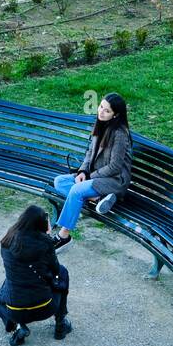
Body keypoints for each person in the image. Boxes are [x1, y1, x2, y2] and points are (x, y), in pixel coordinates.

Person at [52, 92, 133, 243]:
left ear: (115, 115)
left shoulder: (120, 134)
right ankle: (96, 198)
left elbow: (115, 167)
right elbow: (90, 152)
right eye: (101, 106)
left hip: (114, 180)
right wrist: (83, 171)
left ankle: (63, 236)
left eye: (107, 110)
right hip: (95, 177)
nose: (101, 112)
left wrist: (90, 177)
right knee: (59, 182)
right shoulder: (100, 124)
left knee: (76, 191)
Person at [0, 204, 72, 346]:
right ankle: (60, 325)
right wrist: (48, 236)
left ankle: (18, 326)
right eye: (47, 222)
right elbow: (55, 270)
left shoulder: (7, 240)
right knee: (63, 273)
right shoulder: (45, 243)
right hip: (45, 308)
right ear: (40, 226)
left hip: (16, 311)